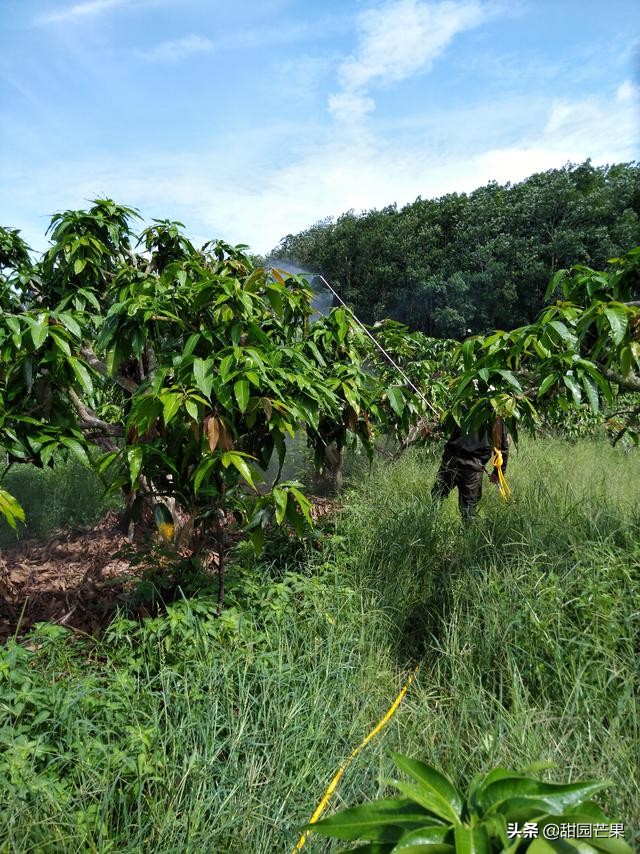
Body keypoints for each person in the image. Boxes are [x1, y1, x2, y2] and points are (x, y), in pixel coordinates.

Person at [431, 417, 509, 519]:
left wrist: (498, 472)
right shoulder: (495, 415)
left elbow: (501, 447)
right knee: (441, 498)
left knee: (440, 497)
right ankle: (429, 524)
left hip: (463, 463)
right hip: (460, 462)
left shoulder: (494, 415)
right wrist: (498, 472)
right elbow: (503, 447)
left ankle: (430, 522)